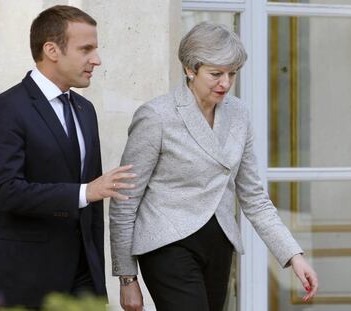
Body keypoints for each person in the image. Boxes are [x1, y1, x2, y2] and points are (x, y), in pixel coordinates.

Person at [110, 22, 318, 311]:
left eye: (232, 73)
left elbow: (254, 198)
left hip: (219, 245)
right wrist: (126, 277)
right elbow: (125, 200)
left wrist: (293, 255)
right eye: (216, 74)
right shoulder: (156, 116)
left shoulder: (239, 114)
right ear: (189, 69)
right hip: (167, 245)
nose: (225, 83)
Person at [0, 5, 135, 310]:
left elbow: (93, 213)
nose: (96, 60)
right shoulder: (6, 108)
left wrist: (100, 284)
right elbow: (8, 192)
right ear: (52, 50)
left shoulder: (86, 111)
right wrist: (86, 191)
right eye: (86, 49)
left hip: (82, 283)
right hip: (21, 282)